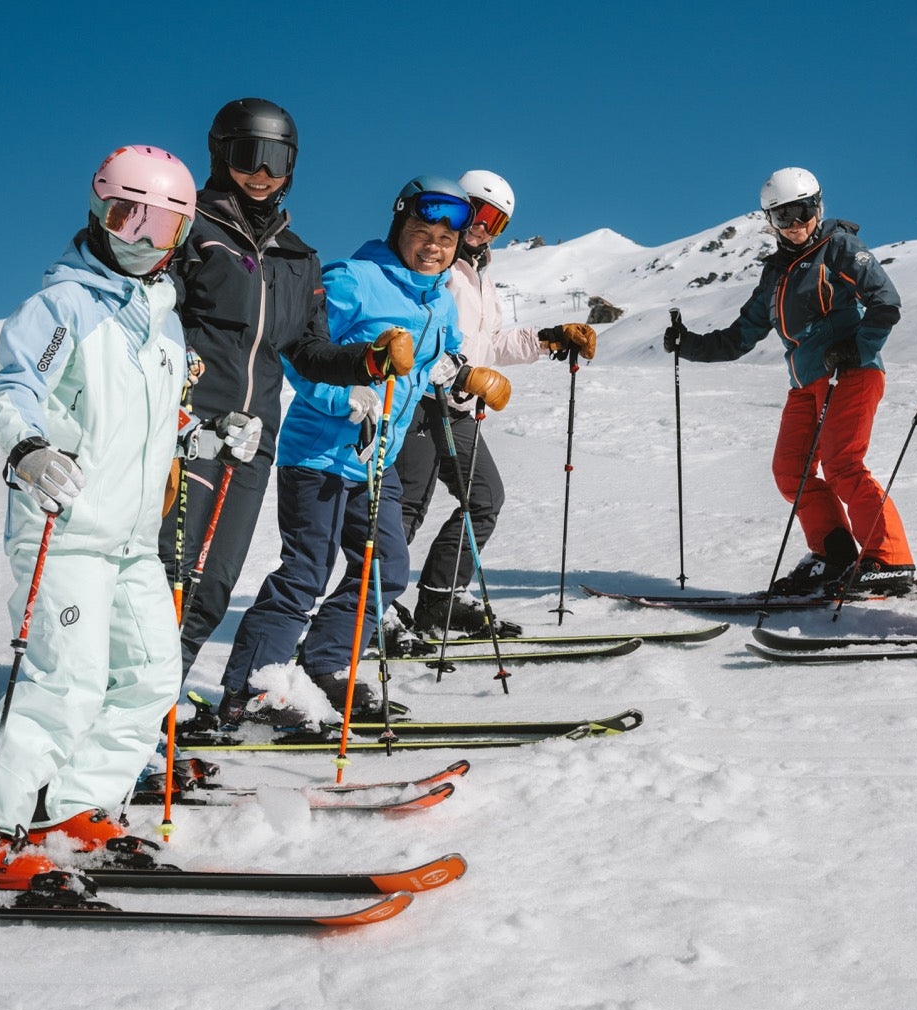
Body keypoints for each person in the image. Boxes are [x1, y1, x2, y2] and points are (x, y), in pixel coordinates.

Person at [0, 146, 257, 888]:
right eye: (123, 215)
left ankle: (72, 805)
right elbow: (14, 387)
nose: (138, 236)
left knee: (148, 677)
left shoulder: (164, 327)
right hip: (64, 528)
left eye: (161, 225)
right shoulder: (62, 305)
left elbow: (155, 426)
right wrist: (29, 448)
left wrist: (207, 435)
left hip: (133, 539)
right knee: (59, 685)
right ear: (97, 212)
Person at [217, 175, 511, 724]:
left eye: (445, 241)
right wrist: (345, 394)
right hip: (321, 454)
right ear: (400, 228)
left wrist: (469, 378)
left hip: (378, 460)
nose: (433, 247)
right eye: (422, 233)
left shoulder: (440, 302)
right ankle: (251, 688)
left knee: (386, 570)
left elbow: (435, 366)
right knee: (306, 571)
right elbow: (301, 356)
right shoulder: (353, 280)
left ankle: (325, 667)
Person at [160, 98, 413, 682]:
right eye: (251, 155)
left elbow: (309, 351)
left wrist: (368, 361)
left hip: (252, 442)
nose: (263, 173)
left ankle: (153, 717)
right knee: (167, 576)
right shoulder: (186, 229)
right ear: (221, 154)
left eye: (278, 160)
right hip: (187, 429)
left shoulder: (298, 258)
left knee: (213, 586)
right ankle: (120, 731)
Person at [664, 167, 915, 596]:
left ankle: (889, 560)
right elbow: (741, 337)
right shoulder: (776, 274)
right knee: (791, 471)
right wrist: (688, 344)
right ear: (770, 222)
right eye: (783, 217)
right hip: (806, 384)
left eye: (802, 213)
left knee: (842, 465)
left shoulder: (840, 248)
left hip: (851, 373)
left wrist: (857, 347)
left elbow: (885, 302)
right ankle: (834, 556)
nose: (796, 225)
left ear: (818, 207)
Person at [396, 169, 597, 636]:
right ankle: (371, 608)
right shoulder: (435, 264)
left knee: (483, 499)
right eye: (478, 212)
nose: (483, 226)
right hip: (421, 402)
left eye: (497, 222)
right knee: (406, 508)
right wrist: (461, 372)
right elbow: (418, 334)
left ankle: (441, 599)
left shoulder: (481, 276)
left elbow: (490, 344)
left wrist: (546, 339)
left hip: (459, 407)